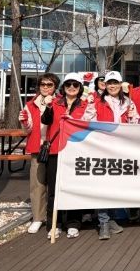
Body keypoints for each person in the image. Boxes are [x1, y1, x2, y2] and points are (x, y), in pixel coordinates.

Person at [43, 73, 96, 239]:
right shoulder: (55, 102)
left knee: (74, 188)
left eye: (75, 85)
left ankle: (73, 223)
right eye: (68, 84)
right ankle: (55, 223)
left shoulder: (86, 105)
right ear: (63, 87)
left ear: (80, 88)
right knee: (54, 189)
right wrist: (48, 106)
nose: (71, 88)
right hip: (56, 150)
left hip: (75, 152)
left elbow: (90, 125)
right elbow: (45, 120)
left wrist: (72, 120)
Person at [92, 70, 139, 239]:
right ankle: (103, 222)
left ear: (120, 84)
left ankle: (111, 219)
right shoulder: (97, 102)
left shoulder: (128, 102)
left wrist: (133, 118)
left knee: (114, 186)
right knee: (103, 186)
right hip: (103, 150)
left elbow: (135, 126)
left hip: (121, 150)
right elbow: (88, 122)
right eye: (109, 83)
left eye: (115, 83)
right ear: (105, 85)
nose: (112, 86)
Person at [19, 72, 60, 234]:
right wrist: (24, 122)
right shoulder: (30, 105)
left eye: (50, 85)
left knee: (55, 185)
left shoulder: (61, 102)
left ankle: (54, 218)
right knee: (37, 184)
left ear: (55, 87)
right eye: (43, 84)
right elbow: (28, 129)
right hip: (38, 148)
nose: (46, 87)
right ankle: (38, 217)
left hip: (56, 148)